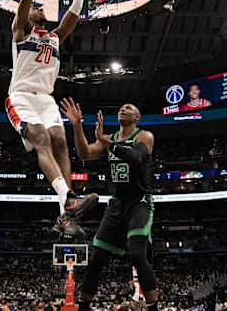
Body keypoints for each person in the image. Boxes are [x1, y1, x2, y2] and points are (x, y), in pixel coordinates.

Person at [5, 0, 97, 238]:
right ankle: (68, 199)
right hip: (20, 96)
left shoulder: (56, 37)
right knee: (43, 138)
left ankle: (66, 214)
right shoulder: (20, 32)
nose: (36, 8)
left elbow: (76, 8)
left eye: (39, 9)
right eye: (32, 8)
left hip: (45, 98)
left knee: (59, 138)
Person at [59, 99, 158, 311]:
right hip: (116, 205)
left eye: (129, 108)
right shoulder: (109, 140)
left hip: (139, 203)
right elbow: (85, 153)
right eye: (122, 107)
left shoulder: (144, 136)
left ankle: (153, 307)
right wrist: (77, 126)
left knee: (137, 255)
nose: (124, 108)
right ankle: (83, 306)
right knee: (96, 260)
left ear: (136, 118)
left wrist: (107, 142)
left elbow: (136, 158)